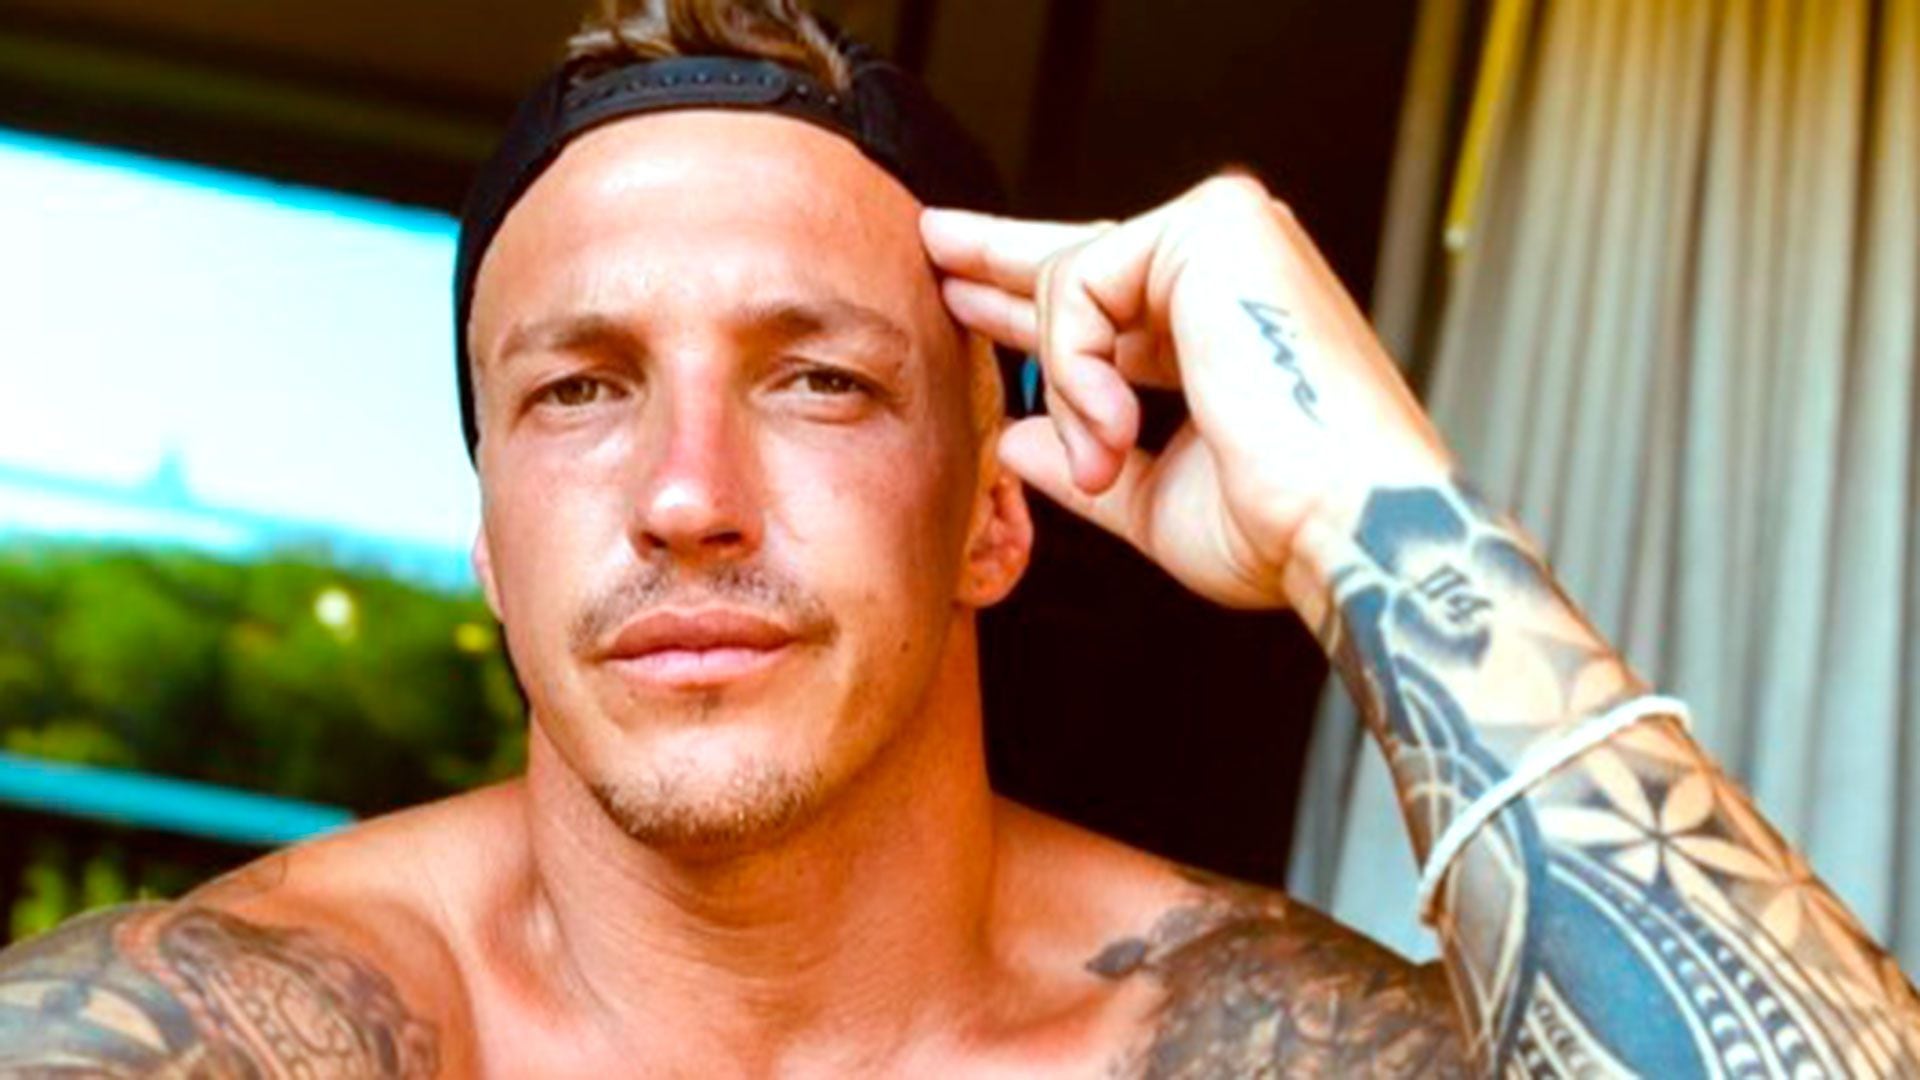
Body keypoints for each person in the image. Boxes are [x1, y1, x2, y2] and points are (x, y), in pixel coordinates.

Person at [3, 1, 1917, 1075]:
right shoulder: (260, 1028)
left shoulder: (1227, 1045)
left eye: (818, 381)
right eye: (580, 388)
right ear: (492, 545)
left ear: (994, 513)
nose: (686, 492)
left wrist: (1372, 511)